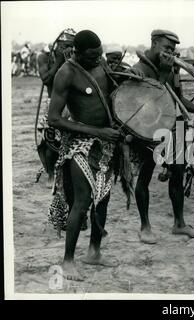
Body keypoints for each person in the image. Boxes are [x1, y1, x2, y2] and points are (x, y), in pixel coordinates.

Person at [48, 30, 120, 281]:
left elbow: (113, 92)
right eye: (91, 56)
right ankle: (68, 261)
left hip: (107, 144)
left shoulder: (100, 62)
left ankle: (94, 252)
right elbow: (54, 119)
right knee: (82, 201)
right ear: (77, 53)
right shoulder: (66, 74)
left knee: (103, 200)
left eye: (99, 55)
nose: (97, 60)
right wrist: (97, 131)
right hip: (80, 145)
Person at [128, 30, 194, 244]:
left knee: (178, 173)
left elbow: (178, 100)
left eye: (173, 49)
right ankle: (145, 226)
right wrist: (163, 72)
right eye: (166, 48)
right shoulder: (138, 70)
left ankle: (179, 224)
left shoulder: (170, 68)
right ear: (153, 43)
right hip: (147, 132)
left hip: (172, 129)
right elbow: (149, 104)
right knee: (145, 177)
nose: (171, 52)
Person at [37, 28, 76, 187]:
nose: (67, 49)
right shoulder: (44, 57)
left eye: (70, 46)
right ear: (57, 44)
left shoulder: (74, 58)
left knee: (71, 140)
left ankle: (67, 174)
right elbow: (46, 79)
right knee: (50, 140)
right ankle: (51, 175)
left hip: (72, 103)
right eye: (64, 45)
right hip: (53, 102)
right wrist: (59, 61)